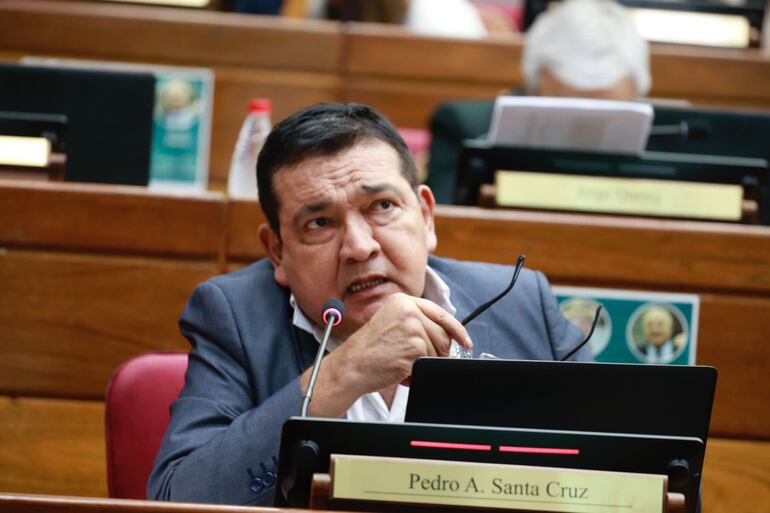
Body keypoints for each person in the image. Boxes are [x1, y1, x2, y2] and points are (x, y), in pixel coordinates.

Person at [148, 102, 591, 506]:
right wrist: (342, 374)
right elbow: (178, 495)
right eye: (320, 223)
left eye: (381, 206)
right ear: (278, 252)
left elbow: (631, 467)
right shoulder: (236, 316)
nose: (359, 248)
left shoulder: (521, 302)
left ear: (426, 216)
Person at [426, 0, 651, 203]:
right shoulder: (466, 129)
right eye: (570, 113)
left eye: (611, 115)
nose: (587, 130)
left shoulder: (671, 137)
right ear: (533, 89)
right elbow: (443, 228)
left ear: (637, 94)